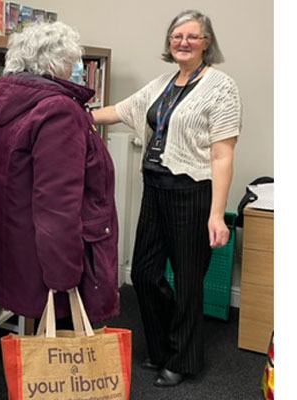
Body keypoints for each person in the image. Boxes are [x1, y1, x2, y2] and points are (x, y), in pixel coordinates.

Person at [92, 10, 242, 387]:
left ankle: (184, 359)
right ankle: (161, 348)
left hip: (192, 193)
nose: (183, 42)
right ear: (169, 41)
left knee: (190, 281)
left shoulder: (221, 87)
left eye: (192, 36)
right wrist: (73, 113)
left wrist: (216, 215)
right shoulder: (162, 83)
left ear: (207, 43)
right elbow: (120, 110)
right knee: (144, 273)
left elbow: (223, 155)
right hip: (155, 189)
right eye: (177, 35)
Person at [0, 21, 120, 327]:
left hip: (21, 247)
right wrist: (65, 276)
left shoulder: (15, 101)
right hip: (50, 261)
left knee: (40, 345)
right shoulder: (58, 111)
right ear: (56, 63)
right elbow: (57, 205)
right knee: (63, 357)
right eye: (73, 61)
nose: (77, 68)